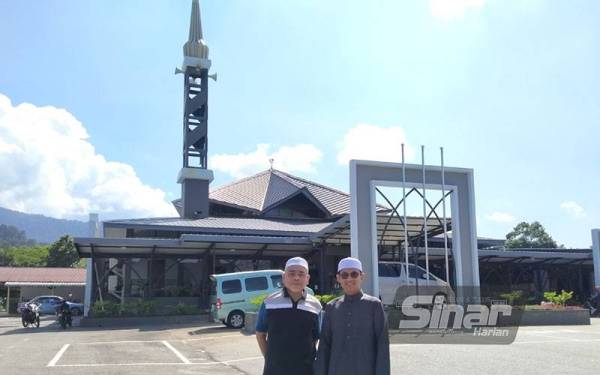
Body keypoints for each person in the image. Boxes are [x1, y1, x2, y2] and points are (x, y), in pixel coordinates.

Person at [315, 257, 390, 375]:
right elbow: (324, 346)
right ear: (338, 278)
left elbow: (382, 346)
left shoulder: (374, 305)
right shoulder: (331, 307)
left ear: (362, 277)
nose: (349, 279)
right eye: (344, 275)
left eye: (354, 274)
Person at [255, 257, 322, 375]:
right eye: (292, 273)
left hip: (306, 370)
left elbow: (315, 337)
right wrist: (270, 359)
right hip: (274, 370)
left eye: (301, 274)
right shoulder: (269, 302)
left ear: (307, 279)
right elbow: (260, 334)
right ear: (284, 278)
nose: (296, 277)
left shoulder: (315, 305)